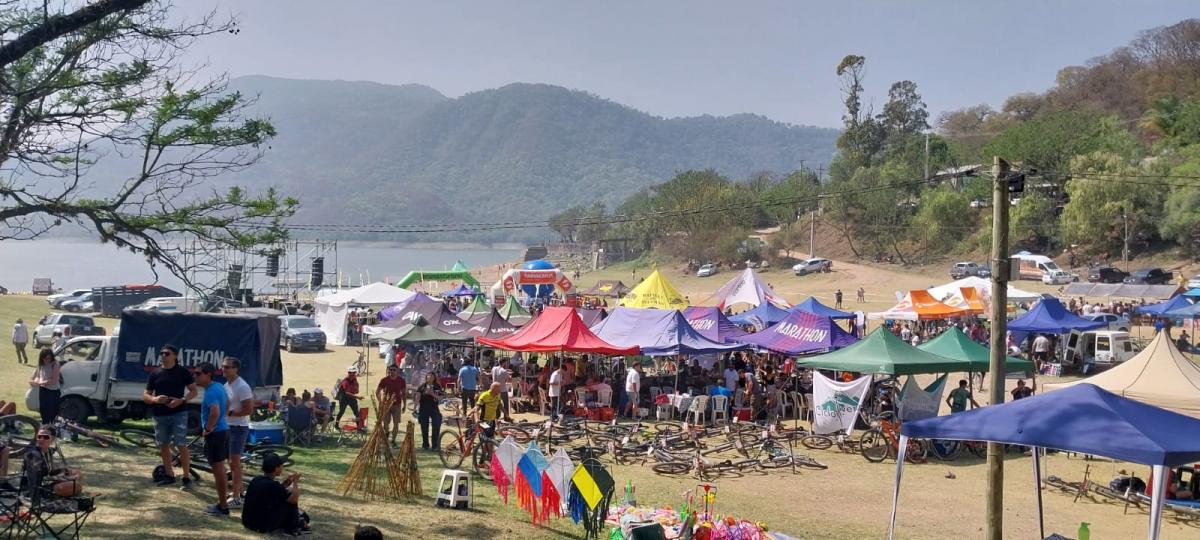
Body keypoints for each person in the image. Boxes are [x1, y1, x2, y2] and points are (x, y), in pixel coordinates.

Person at [143, 344, 197, 489]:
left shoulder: (182, 372)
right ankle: (169, 475)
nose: (163, 356)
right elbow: (146, 394)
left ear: (175, 356)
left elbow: (194, 391)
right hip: (160, 414)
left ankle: (186, 478)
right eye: (161, 353)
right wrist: (154, 399)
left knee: (181, 444)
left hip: (178, 413)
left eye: (167, 353)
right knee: (163, 445)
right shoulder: (155, 373)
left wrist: (181, 400)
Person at [242, 453, 309, 536]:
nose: (282, 468)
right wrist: (295, 483)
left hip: (248, 522)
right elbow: (293, 500)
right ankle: (294, 526)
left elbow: (275, 492)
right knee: (291, 504)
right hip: (262, 526)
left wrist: (286, 483)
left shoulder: (256, 480)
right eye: (281, 466)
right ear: (276, 468)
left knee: (286, 499)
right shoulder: (274, 485)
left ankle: (297, 522)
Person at [196, 363, 231, 516]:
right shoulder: (219, 386)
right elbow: (228, 403)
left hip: (216, 433)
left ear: (208, 374)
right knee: (220, 469)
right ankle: (221, 503)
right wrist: (222, 420)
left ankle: (223, 507)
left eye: (198, 374)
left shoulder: (210, 391)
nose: (195, 376)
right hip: (223, 430)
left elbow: (214, 413)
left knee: (219, 471)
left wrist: (208, 428)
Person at [223, 356, 254, 510]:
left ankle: (236, 498)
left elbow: (249, 409)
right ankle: (240, 492)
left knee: (234, 463)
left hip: (238, 428)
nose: (224, 369)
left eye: (227, 367)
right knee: (232, 462)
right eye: (223, 366)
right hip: (228, 427)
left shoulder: (242, 386)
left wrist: (230, 413)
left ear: (236, 369)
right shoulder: (226, 385)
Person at [23, 427, 83, 498]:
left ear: (52, 439)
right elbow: (38, 477)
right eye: (39, 437)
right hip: (36, 489)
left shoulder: (48, 452)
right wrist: (64, 478)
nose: (41, 439)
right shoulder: (33, 454)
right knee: (76, 485)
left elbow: (49, 471)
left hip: (45, 483)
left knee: (77, 473)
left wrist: (65, 471)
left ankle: (69, 491)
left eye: (45, 437)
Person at [375, 365, 407, 445]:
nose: (392, 372)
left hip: (397, 404)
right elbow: (377, 392)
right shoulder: (384, 380)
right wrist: (380, 402)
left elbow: (403, 393)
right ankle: (387, 432)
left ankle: (393, 440)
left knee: (396, 423)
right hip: (386, 404)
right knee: (385, 423)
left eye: (394, 370)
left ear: (397, 371)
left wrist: (405, 405)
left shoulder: (401, 380)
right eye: (390, 370)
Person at [30, 348, 61, 426]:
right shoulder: (41, 364)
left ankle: (51, 429)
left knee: (51, 412)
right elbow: (37, 376)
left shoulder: (55, 364)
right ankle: (45, 428)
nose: (46, 360)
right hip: (43, 390)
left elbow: (54, 380)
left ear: (51, 357)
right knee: (43, 410)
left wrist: (41, 382)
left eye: (48, 358)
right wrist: (35, 381)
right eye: (44, 358)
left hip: (53, 391)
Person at [414, 373, 443, 450]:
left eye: (432, 376)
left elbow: (440, 398)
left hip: (434, 409)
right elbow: (417, 397)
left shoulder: (437, 386)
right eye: (428, 376)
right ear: (426, 377)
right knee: (424, 427)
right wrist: (415, 408)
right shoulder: (422, 386)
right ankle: (425, 445)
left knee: (436, 425)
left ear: (434, 378)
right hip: (423, 409)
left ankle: (435, 445)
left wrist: (432, 394)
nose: (430, 378)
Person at [335, 366, 364, 431]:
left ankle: (359, 428)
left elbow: (356, 391)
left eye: (355, 372)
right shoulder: (345, 381)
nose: (354, 374)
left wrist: (357, 386)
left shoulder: (354, 380)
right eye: (353, 373)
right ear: (349, 373)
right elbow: (346, 393)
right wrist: (357, 397)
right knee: (341, 412)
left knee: (356, 412)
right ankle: (336, 425)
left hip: (352, 398)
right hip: (343, 399)